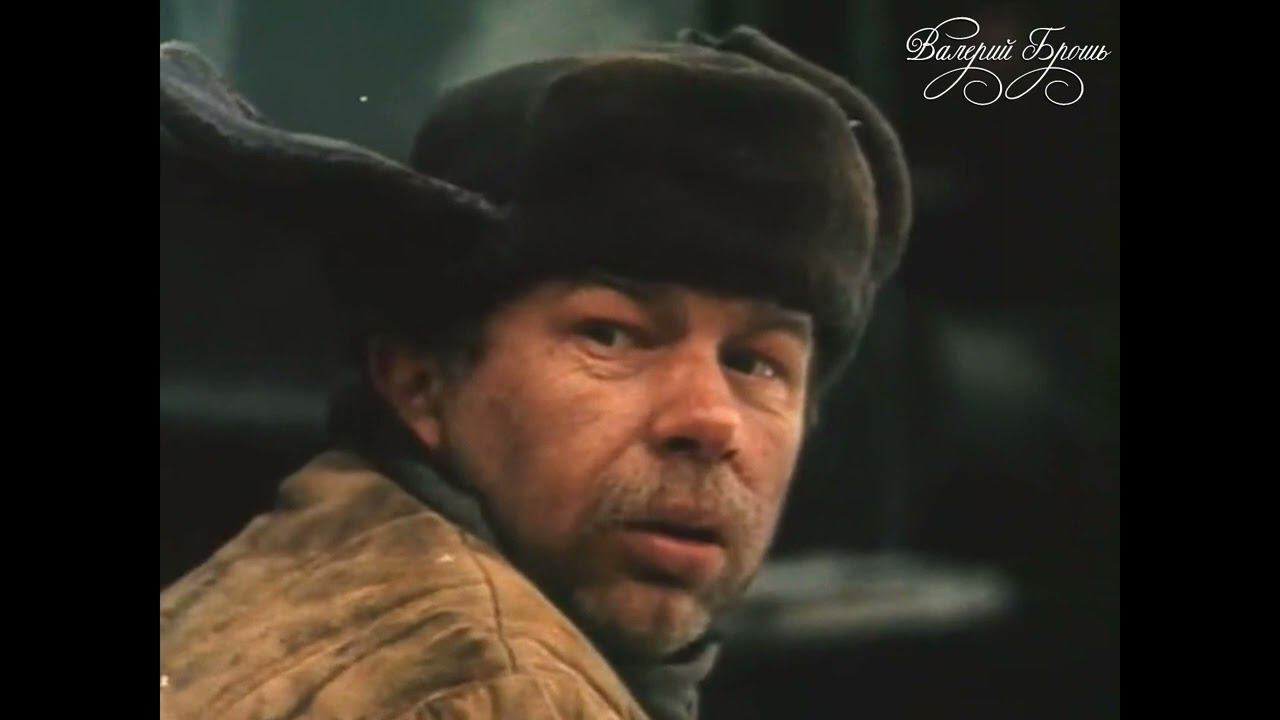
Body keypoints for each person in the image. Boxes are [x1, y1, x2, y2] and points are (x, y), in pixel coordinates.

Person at [159, 25, 911, 720]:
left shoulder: (304, 589)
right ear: (419, 382)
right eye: (611, 335)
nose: (708, 421)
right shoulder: (492, 690)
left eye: (755, 363)